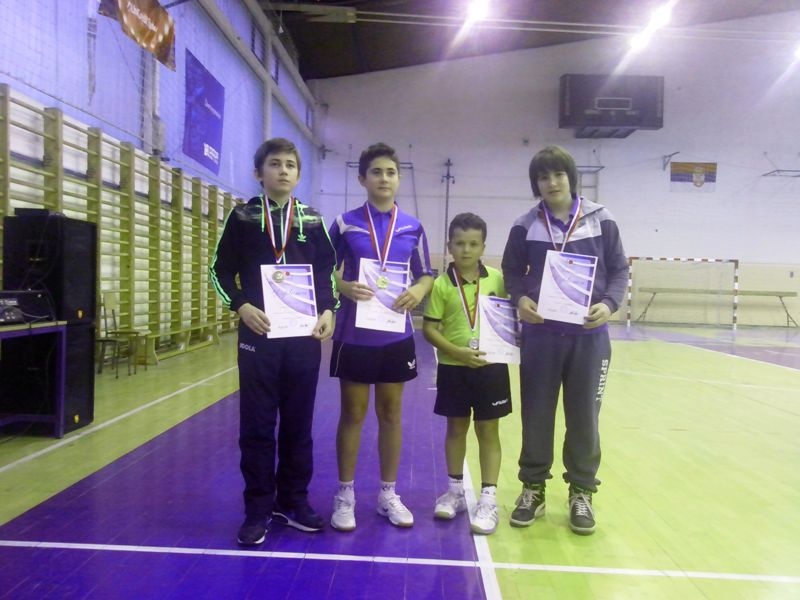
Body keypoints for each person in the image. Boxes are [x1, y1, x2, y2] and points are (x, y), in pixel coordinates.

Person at [209, 137, 337, 546]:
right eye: (275, 164)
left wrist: (328, 310)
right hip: (258, 336)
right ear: (258, 173)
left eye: (290, 165)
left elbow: (327, 273)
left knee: (298, 425)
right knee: (258, 426)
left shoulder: (312, 220)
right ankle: (258, 509)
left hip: (302, 338)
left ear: (298, 174)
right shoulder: (242, 218)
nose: (283, 170)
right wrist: (241, 305)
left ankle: (294, 501)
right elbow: (219, 270)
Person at [501, 145, 627, 535]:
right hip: (540, 337)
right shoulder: (525, 224)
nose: (552, 182)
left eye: (558, 174)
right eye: (543, 177)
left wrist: (609, 304)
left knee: (584, 417)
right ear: (535, 183)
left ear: (571, 178)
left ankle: (582, 492)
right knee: (536, 414)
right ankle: (533, 488)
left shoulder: (601, 219)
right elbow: (511, 271)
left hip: (590, 338)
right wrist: (520, 299)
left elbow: (620, 270)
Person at [327, 142, 433, 531]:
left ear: (398, 179)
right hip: (354, 335)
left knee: (391, 414)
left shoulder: (413, 227)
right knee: (353, 414)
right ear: (362, 179)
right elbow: (324, 270)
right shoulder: (344, 223)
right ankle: (345, 495)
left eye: (390, 172)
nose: (384, 178)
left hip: (395, 336)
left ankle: (388, 494)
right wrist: (343, 286)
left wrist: (418, 291)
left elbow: (426, 274)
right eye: (376, 172)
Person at [422, 213, 512, 536]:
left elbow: (509, 320)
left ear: (483, 247)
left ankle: (488, 498)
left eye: (474, 244)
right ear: (449, 246)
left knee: (488, 430)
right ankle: (455, 492)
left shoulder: (498, 280)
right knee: (456, 428)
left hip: (491, 368)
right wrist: (457, 352)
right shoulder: (441, 285)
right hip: (453, 368)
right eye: (460, 243)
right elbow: (429, 329)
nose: (466, 250)